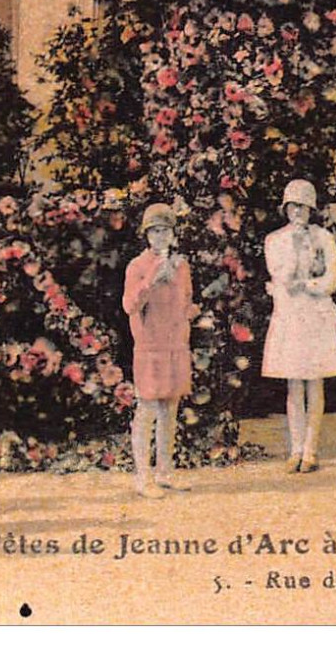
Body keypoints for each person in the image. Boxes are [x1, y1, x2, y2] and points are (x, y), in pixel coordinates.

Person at [260, 179, 336, 473]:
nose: (298, 211)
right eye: (293, 206)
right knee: (293, 383)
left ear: (312, 209)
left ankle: (311, 449)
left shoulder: (324, 238)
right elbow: (280, 277)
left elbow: (331, 279)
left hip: (316, 313)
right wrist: (296, 252)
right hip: (290, 315)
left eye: (304, 206)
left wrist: (310, 284)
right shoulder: (275, 240)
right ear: (285, 208)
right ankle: (295, 448)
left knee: (315, 381)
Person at [123, 203, 199, 499]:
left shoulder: (181, 265)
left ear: (173, 233)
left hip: (175, 343)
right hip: (150, 345)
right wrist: (151, 278)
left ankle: (165, 472)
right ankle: (143, 476)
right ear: (146, 234)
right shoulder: (137, 266)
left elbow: (186, 300)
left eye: (165, 230)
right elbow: (130, 306)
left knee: (171, 408)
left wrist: (190, 312)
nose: (160, 236)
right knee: (148, 409)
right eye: (155, 231)